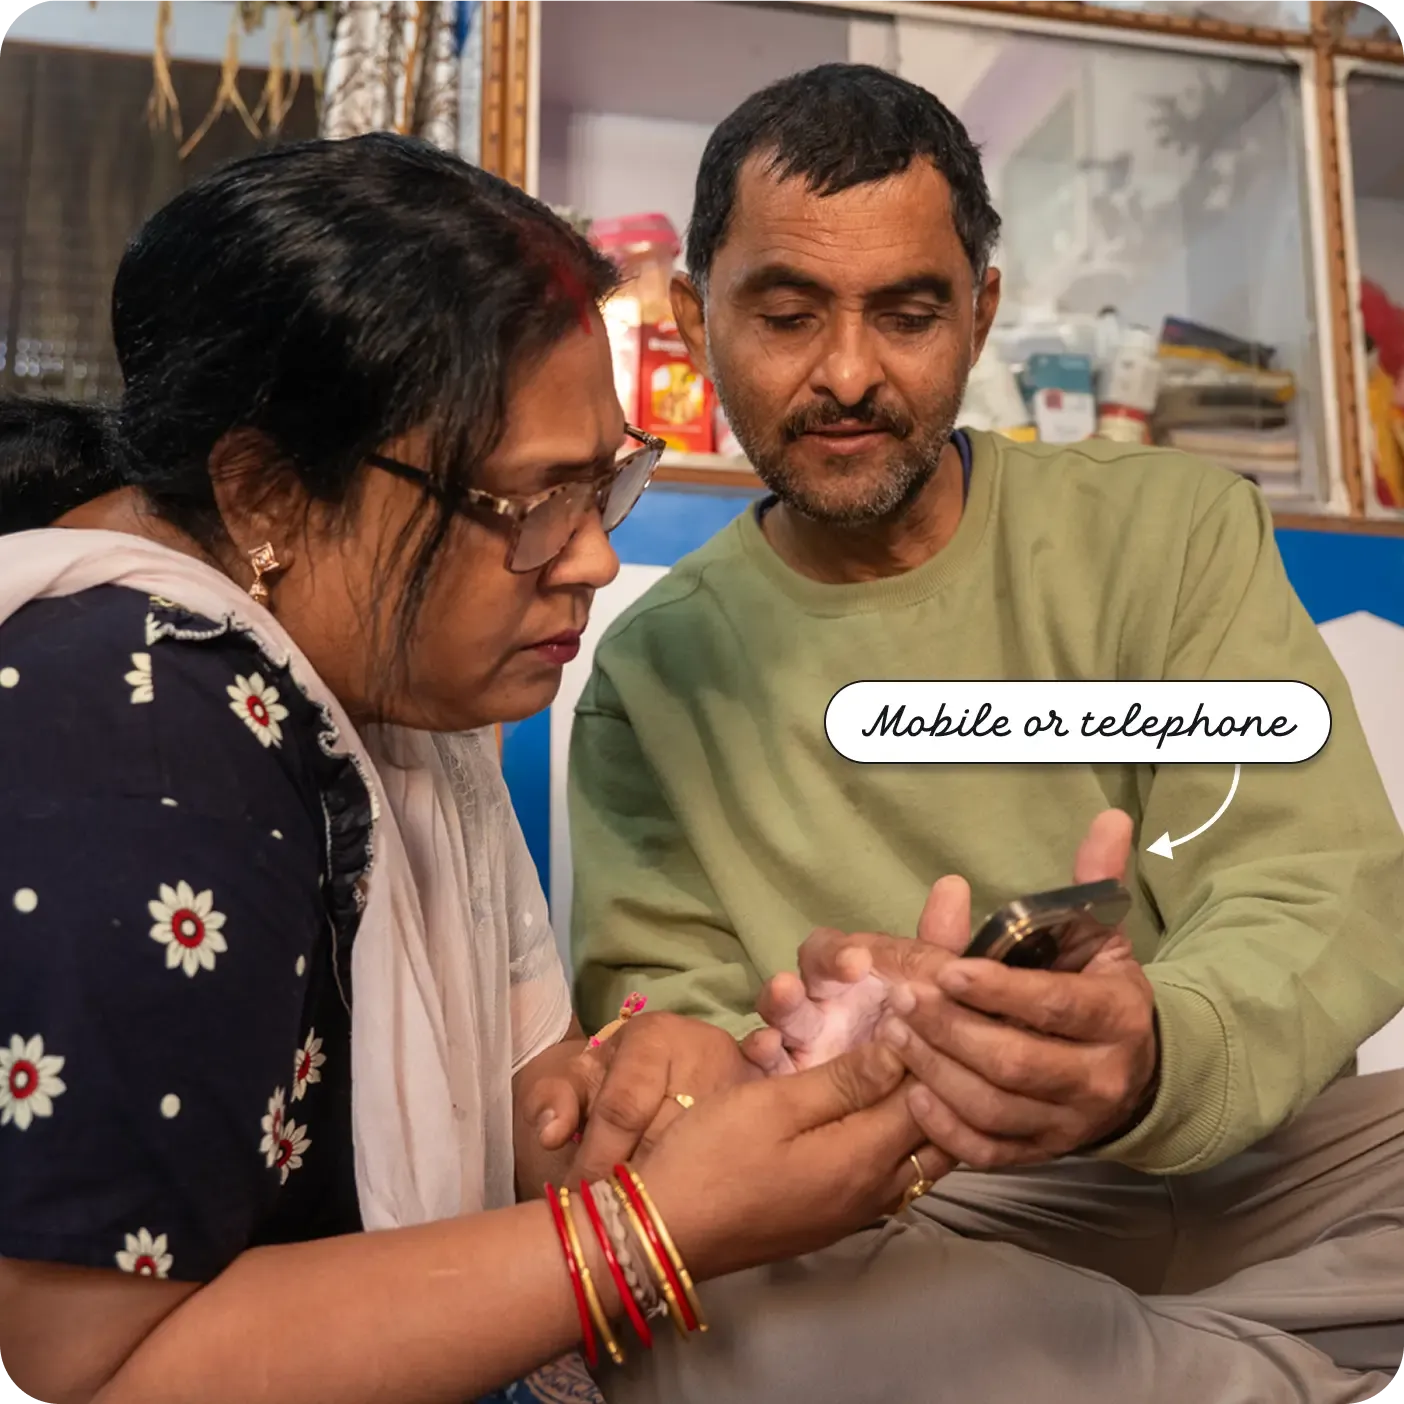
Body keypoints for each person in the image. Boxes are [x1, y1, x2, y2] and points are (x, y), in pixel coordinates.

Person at [0, 132, 948, 1404]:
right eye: (534, 505)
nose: (594, 562)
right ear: (270, 493)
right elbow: (85, 1370)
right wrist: (655, 1232)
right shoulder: (140, 743)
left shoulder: (394, 695)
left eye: (605, 486)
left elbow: (521, 1112)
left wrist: (663, 1097)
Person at [568, 64, 1404, 1401]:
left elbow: (1314, 880)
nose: (848, 374)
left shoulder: (1173, 530)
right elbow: (672, 1050)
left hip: (1238, 1168)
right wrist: (836, 1065)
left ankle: (1150, 1362)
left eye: (908, 314)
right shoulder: (650, 673)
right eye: (786, 315)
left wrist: (1146, 1055)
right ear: (695, 316)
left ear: (983, 314)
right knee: (696, 1312)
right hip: (911, 1219)